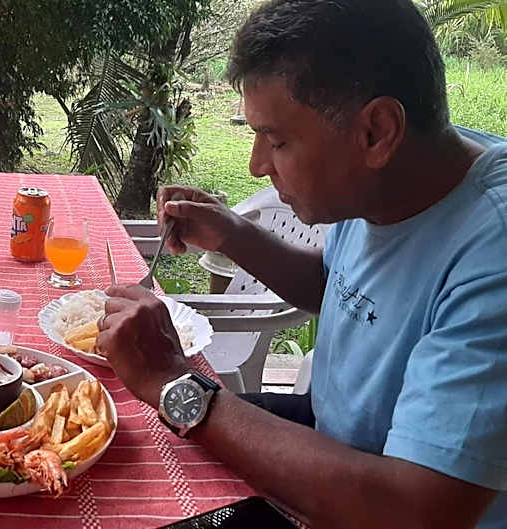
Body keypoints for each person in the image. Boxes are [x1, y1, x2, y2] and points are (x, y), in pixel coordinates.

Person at [96, 1, 507, 528]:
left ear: (377, 131)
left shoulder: (491, 257)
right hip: (330, 432)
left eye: (279, 140)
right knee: (136, 454)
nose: (256, 165)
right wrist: (234, 233)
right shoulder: (398, 180)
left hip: (376, 499)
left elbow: (412, 509)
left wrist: (178, 385)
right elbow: (338, 286)